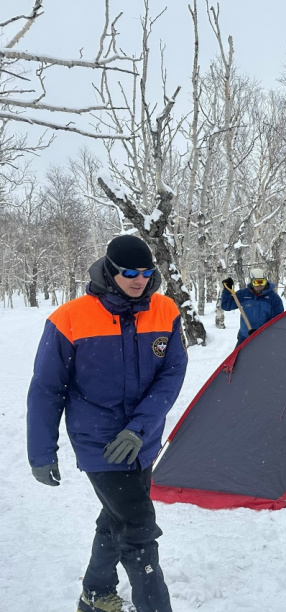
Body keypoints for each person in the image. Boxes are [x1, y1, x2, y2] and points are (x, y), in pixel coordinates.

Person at [27, 234, 188, 612]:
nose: (140, 279)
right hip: (98, 441)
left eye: (147, 272)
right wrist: (41, 453)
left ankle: (96, 593)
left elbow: (173, 372)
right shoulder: (69, 318)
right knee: (139, 530)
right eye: (130, 272)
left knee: (115, 517)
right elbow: (47, 389)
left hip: (143, 440)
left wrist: (140, 427)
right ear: (110, 270)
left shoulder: (165, 310)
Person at [221, 267, 285, 346]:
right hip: (245, 337)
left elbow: (278, 320)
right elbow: (227, 306)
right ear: (251, 282)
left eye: (262, 282)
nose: (260, 285)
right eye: (256, 282)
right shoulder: (244, 294)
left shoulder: (273, 298)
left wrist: (261, 332)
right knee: (239, 358)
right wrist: (227, 290)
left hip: (265, 338)